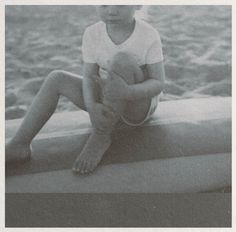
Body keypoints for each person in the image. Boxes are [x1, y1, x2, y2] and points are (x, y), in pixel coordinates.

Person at [6, 5, 165, 174]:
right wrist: (92, 106)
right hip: (110, 97)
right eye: (104, 4)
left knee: (122, 60)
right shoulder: (92, 33)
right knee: (57, 77)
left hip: (137, 104)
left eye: (120, 4)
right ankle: (19, 145)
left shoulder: (147, 34)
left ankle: (101, 134)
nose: (111, 11)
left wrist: (127, 92)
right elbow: (89, 76)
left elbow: (158, 82)